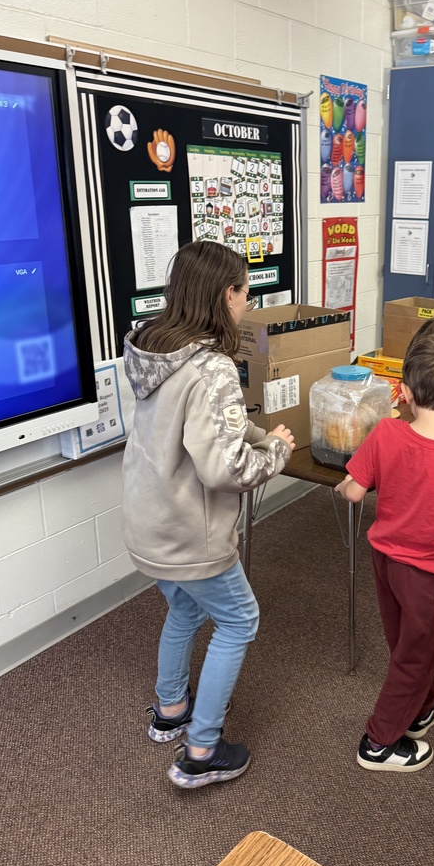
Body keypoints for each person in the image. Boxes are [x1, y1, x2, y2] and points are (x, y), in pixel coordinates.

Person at [122, 240, 295, 789]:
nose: (248, 303)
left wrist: (254, 432)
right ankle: (201, 748)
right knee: (240, 619)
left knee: (186, 609)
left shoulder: (155, 348)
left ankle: (170, 710)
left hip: (148, 523)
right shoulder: (214, 367)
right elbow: (227, 470)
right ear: (226, 295)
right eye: (246, 292)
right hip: (189, 535)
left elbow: (198, 428)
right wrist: (279, 451)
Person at [335, 319, 434, 772]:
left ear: (403, 391)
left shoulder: (385, 433)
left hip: (383, 560)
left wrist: (346, 485)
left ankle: (423, 708)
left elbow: (352, 491)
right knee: (414, 651)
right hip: (422, 573)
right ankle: (379, 741)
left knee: (404, 640)